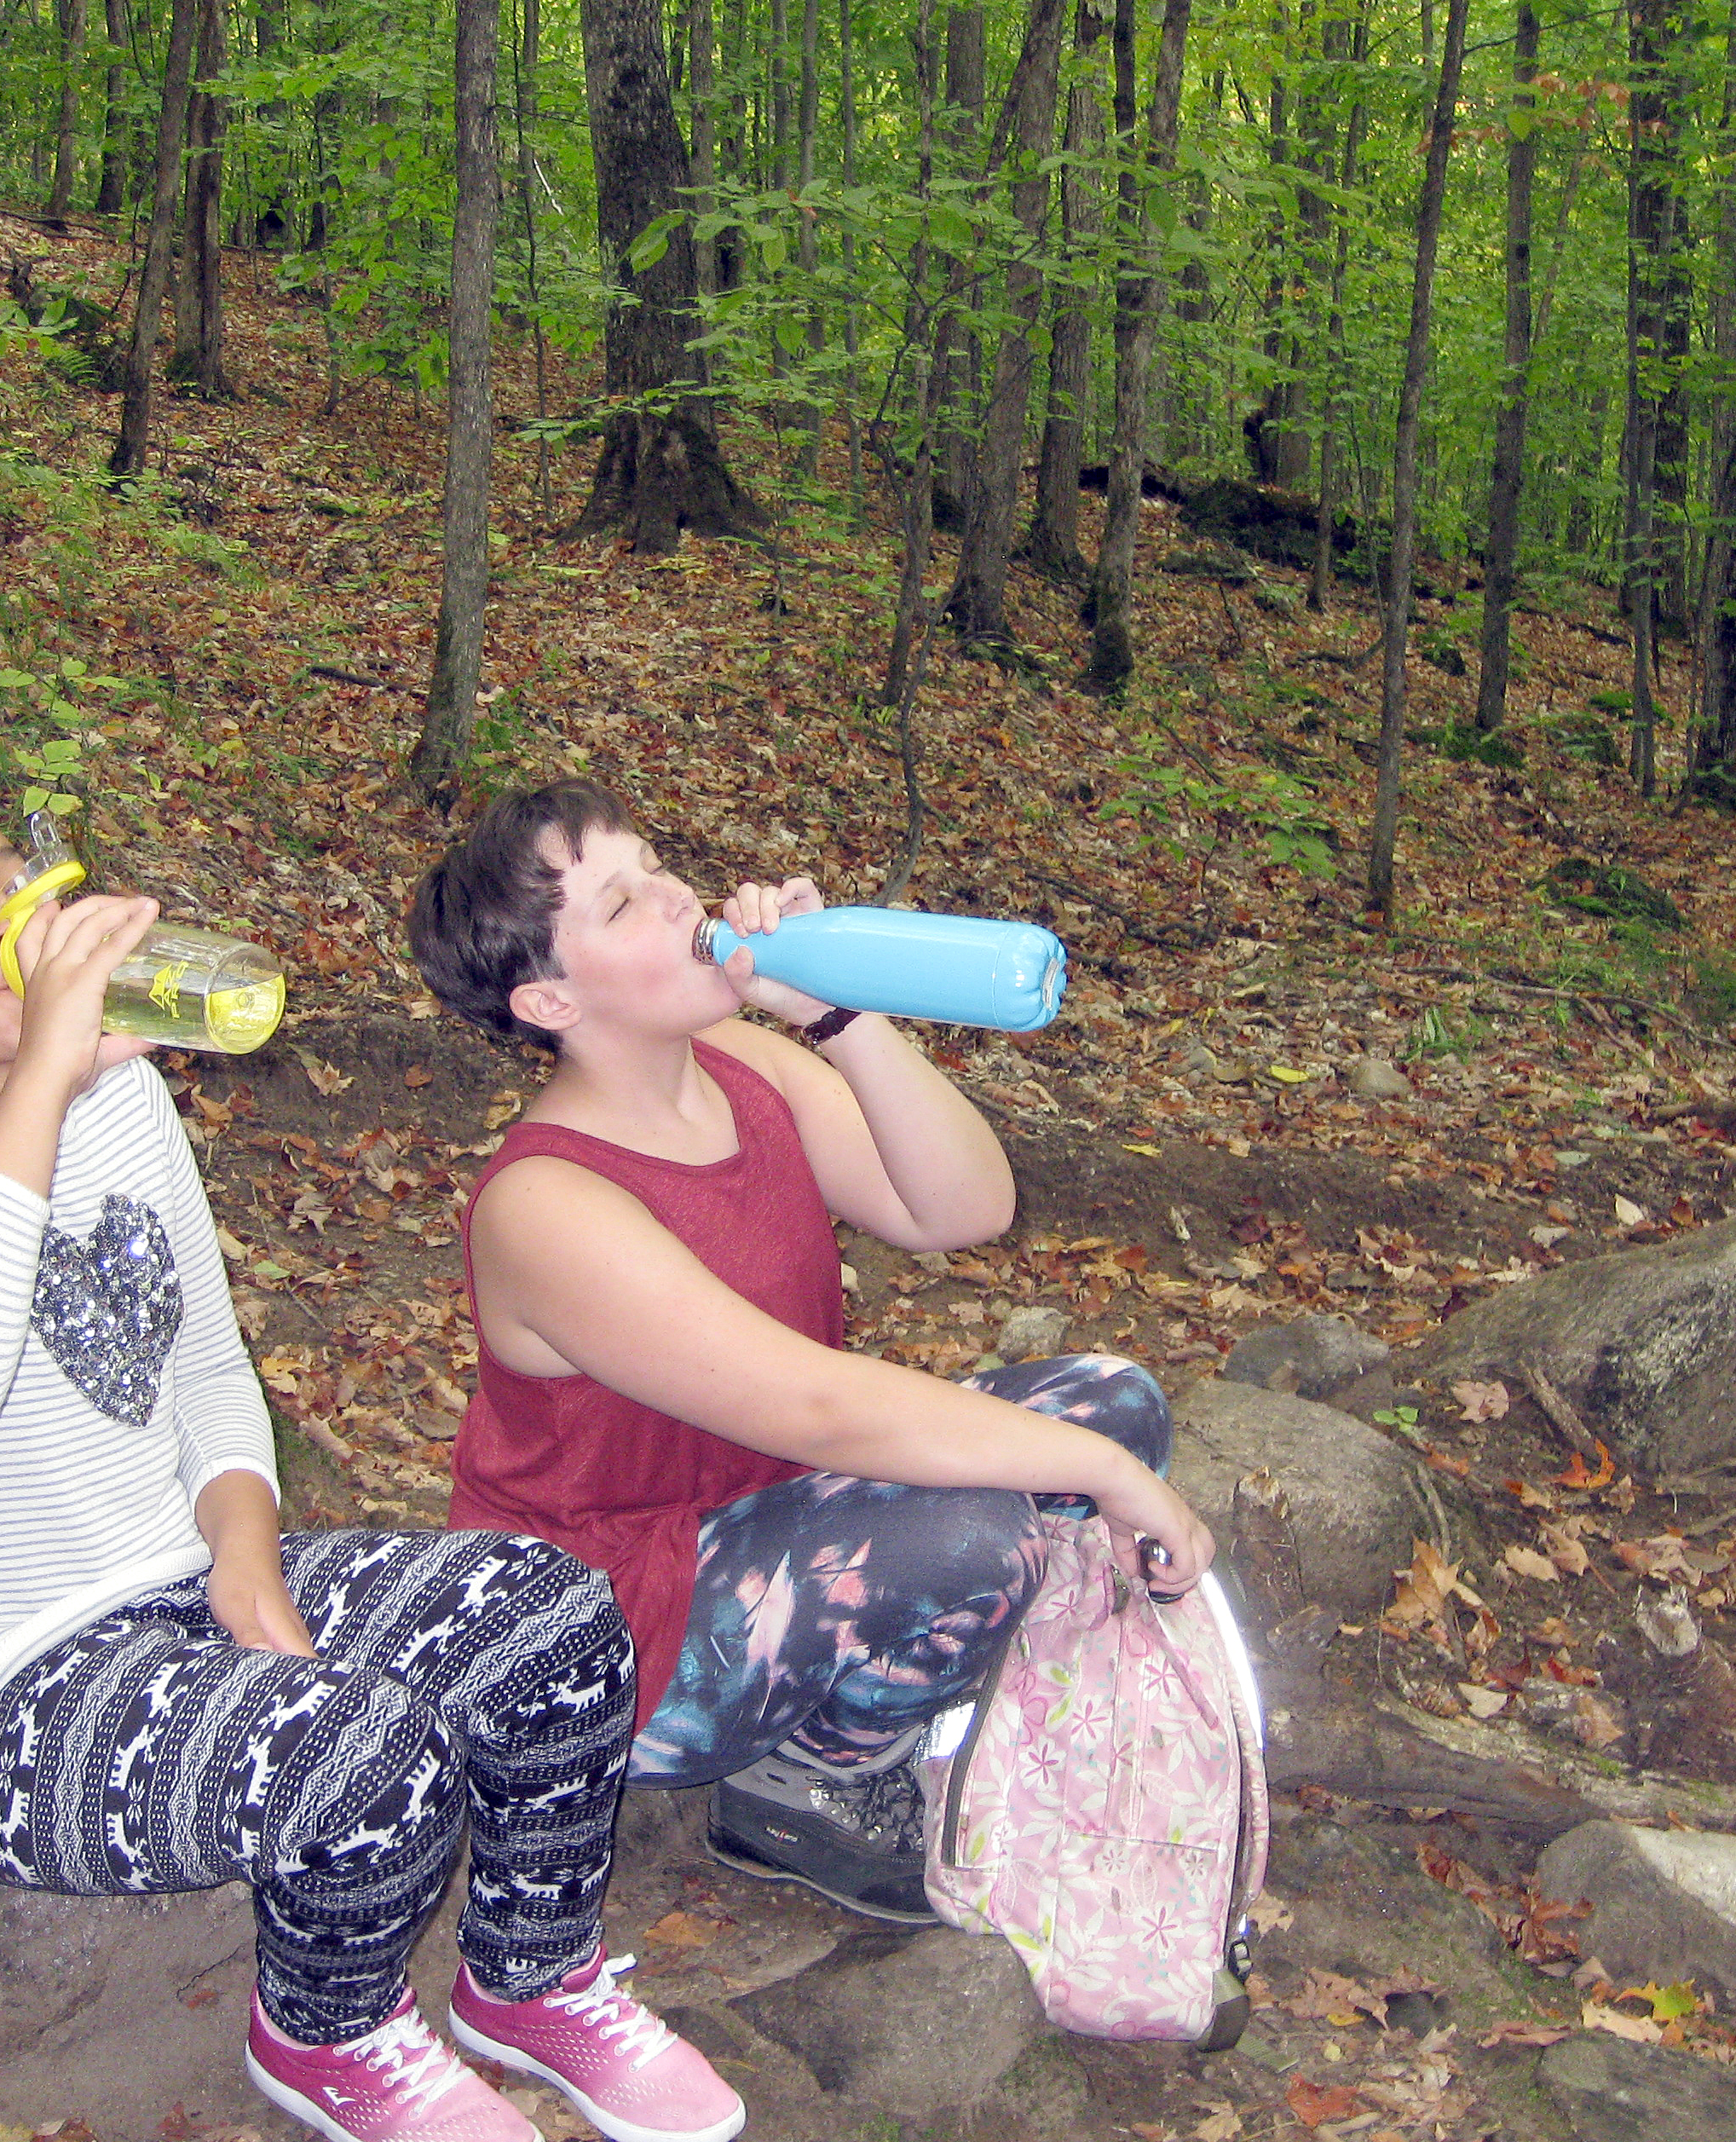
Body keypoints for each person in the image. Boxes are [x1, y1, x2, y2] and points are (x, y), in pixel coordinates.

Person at [0, 774, 742, 2142]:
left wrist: (245, 1551)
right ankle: (326, 2031)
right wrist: (45, 1071)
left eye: (4, 882)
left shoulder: (122, 1100)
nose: (9, 923)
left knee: (553, 1612)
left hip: (172, 1600)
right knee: (366, 1750)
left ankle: (534, 1977)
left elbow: (208, 1370)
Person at [407, 778, 1215, 1924]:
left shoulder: (750, 1064)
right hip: (606, 1628)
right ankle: (810, 1780)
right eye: (625, 900)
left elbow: (962, 1209)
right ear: (548, 1000)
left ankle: (898, 1686)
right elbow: (819, 1408)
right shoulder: (548, 1203)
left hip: (768, 1511)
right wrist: (1106, 1484)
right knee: (980, 1531)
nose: (678, 893)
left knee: (1114, 1405)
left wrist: (836, 1016)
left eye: (657, 863)